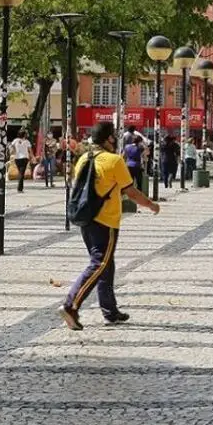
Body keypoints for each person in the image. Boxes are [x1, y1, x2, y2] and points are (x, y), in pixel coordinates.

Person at [58, 121, 159, 330]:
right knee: (99, 263)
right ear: (109, 139)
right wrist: (151, 205)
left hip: (86, 218)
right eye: (113, 136)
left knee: (106, 263)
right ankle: (71, 304)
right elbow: (130, 191)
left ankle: (110, 311)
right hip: (105, 220)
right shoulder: (114, 161)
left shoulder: (84, 159)